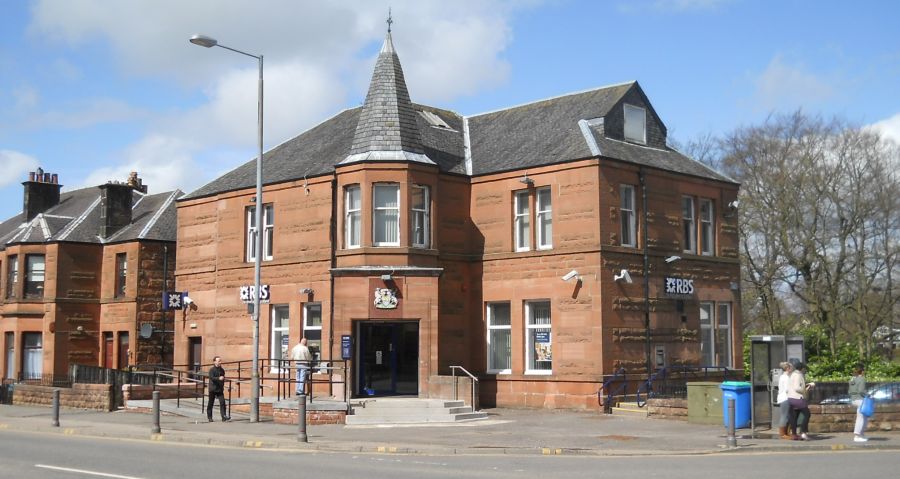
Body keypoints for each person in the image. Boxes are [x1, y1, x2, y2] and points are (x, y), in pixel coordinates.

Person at [786, 358, 814, 440]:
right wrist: (806, 389)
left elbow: (790, 387)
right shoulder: (799, 375)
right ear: (801, 368)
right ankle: (803, 432)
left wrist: (805, 386)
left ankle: (794, 434)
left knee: (795, 416)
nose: (805, 370)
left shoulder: (792, 375)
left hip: (791, 398)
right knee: (807, 414)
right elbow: (797, 388)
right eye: (804, 368)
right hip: (798, 399)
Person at [849, 363, 869, 442]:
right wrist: (868, 395)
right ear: (862, 371)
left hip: (853, 399)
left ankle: (861, 434)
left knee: (863, 417)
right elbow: (861, 391)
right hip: (860, 399)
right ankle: (857, 436)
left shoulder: (852, 379)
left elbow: (849, 391)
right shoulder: (862, 379)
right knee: (861, 418)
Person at [207, 356, 230, 422]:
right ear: (214, 362)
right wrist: (218, 378)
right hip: (213, 389)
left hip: (219, 389)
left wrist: (222, 384)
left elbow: (222, 378)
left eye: (220, 361)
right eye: (218, 361)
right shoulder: (212, 370)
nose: (220, 362)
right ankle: (210, 417)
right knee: (211, 403)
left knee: (222, 402)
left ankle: (224, 416)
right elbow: (211, 377)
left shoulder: (222, 370)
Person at [776, 361, 794, 439]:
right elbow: (787, 389)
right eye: (791, 368)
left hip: (784, 397)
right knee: (785, 416)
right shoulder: (786, 377)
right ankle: (782, 433)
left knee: (787, 415)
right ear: (787, 368)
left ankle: (786, 432)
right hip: (785, 397)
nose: (792, 369)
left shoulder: (783, 376)